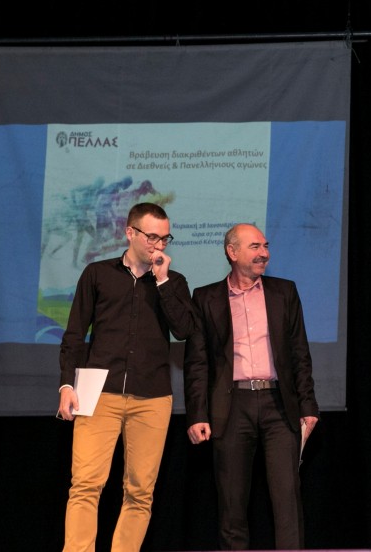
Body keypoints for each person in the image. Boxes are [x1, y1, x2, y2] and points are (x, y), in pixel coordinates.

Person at [57, 202, 198, 552]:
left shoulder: (174, 282)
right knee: (85, 484)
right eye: (152, 237)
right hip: (97, 393)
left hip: (152, 398)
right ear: (130, 232)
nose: (159, 245)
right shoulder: (97, 274)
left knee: (139, 492)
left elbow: (184, 330)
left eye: (165, 238)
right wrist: (66, 385)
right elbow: (74, 334)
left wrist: (162, 281)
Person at [184, 223, 320, 550]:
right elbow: (197, 362)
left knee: (287, 497)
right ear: (232, 252)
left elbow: (299, 353)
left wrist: (308, 406)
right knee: (231, 503)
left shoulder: (284, 292)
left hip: (279, 404)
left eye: (265, 246)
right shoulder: (205, 297)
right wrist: (197, 414)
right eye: (255, 247)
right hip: (231, 406)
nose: (264, 253)